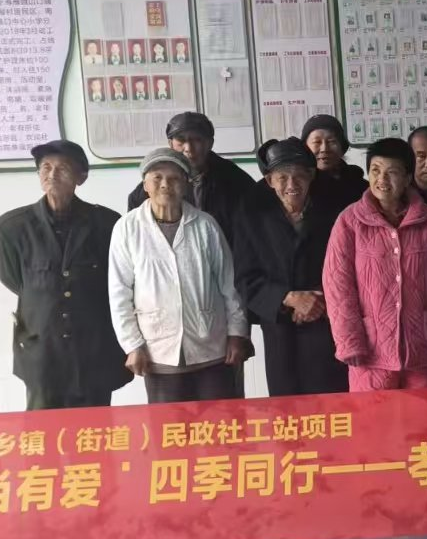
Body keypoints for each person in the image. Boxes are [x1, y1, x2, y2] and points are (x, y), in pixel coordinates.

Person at [0, 140, 130, 411]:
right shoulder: (13, 226)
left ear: (81, 177)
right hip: (42, 348)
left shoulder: (106, 223)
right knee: (43, 429)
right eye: (45, 168)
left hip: (93, 348)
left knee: (95, 428)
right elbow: (13, 279)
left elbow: (118, 279)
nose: (52, 174)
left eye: (63, 168)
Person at [108, 148, 250, 404]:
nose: (165, 184)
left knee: (221, 425)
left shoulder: (206, 225)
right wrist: (132, 345)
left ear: (185, 184)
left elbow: (229, 285)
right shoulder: (127, 228)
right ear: (145, 185)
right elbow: (119, 293)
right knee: (170, 427)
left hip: (212, 349)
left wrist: (237, 334)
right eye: (157, 178)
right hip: (158, 353)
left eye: (174, 178)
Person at [322, 137, 427, 391]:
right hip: (370, 352)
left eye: (392, 172)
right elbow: (337, 285)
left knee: (426, 416)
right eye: (375, 170)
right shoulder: (349, 221)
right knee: (373, 417)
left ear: (408, 178)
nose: (382, 180)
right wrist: (348, 340)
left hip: (423, 349)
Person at [231, 137, 347, 398]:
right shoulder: (251, 213)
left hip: (327, 321)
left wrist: (319, 300)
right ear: (270, 181)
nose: (291, 185)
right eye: (282, 178)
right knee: (286, 406)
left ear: (311, 176)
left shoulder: (334, 210)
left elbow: (349, 266)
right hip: (280, 327)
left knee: (331, 403)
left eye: (299, 176)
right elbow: (245, 276)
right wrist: (289, 298)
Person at [126, 112, 254, 250]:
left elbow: (251, 238)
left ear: (210, 143)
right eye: (181, 140)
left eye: (197, 140)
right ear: (171, 144)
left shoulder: (236, 182)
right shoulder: (145, 192)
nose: (188, 148)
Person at [304, 113, 367, 209]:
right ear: (305, 148)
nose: (324, 149)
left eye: (331, 141)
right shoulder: (299, 186)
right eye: (317, 142)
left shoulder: (360, 186)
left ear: (342, 147)